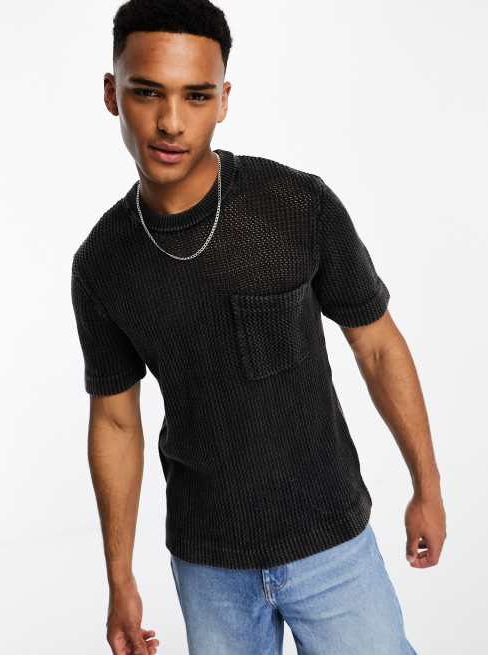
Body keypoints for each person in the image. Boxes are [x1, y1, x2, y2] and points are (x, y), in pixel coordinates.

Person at [70, 1, 447, 653]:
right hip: (208, 565)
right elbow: (115, 421)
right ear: (112, 94)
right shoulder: (103, 262)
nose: (170, 121)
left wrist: (427, 485)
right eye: (147, 92)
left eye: (196, 95)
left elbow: (378, 346)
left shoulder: (297, 205)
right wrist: (119, 577)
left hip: (331, 546)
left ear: (222, 100)